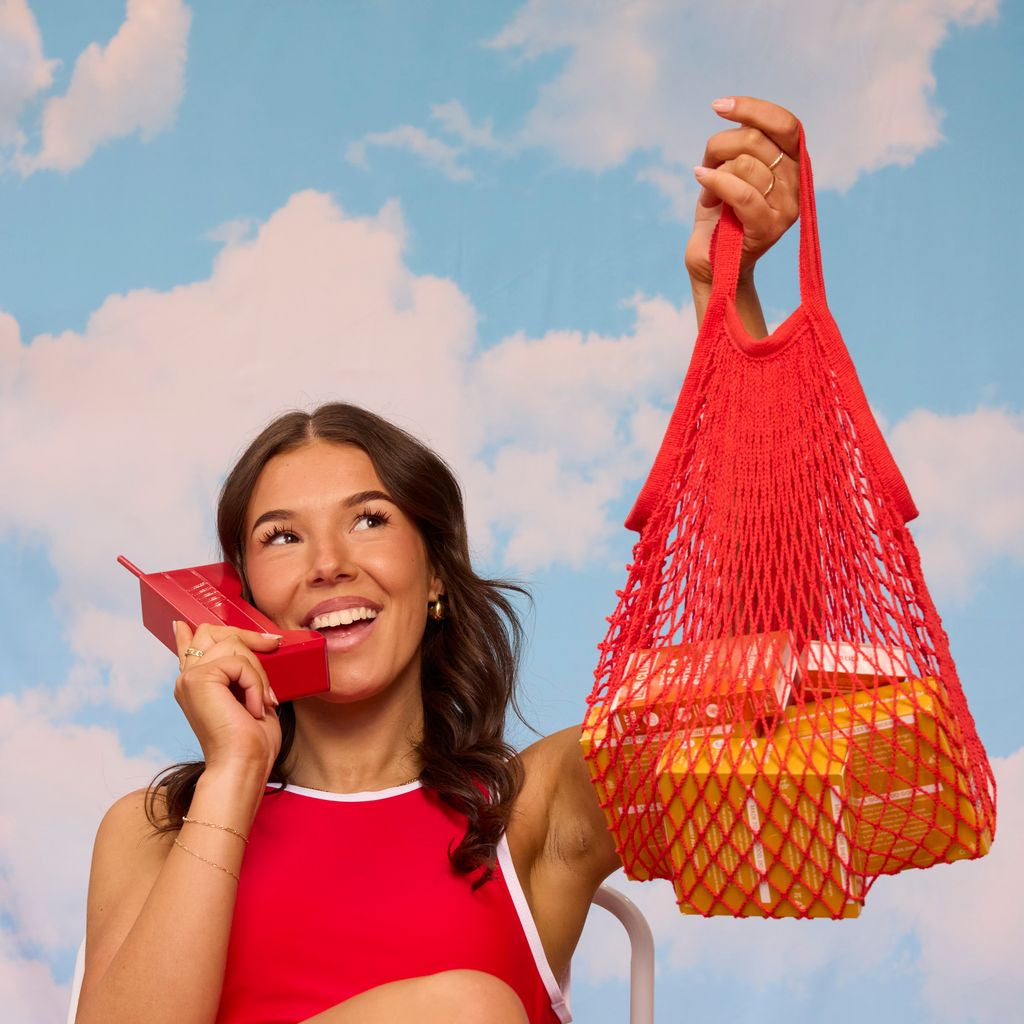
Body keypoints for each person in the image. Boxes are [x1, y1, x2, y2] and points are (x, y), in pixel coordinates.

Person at [74, 96, 802, 1024]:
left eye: (369, 520)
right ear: (237, 599)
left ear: (438, 584)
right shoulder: (153, 833)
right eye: (282, 537)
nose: (329, 561)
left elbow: (748, 682)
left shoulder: (531, 812)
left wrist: (722, 299)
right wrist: (232, 773)